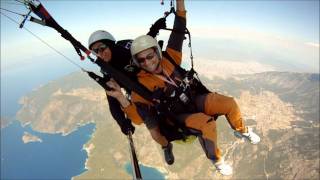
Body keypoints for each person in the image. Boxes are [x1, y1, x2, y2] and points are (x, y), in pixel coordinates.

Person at [106, 0, 261, 176]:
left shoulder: (170, 58)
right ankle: (216, 160)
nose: (147, 62)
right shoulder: (141, 85)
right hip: (177, 114)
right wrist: (120, 98)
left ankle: (242, 131)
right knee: (206, 124)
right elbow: (138, 119)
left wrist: (180, 3)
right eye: (141, 60)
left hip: (193, 99)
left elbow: (179, 29)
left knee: (229, 103)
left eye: (150, 56)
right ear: (136, 62)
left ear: (157, 52)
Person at [87, 17, 166, 136]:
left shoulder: (127, 48)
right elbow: (112, 99)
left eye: (102, 48)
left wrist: (154, 29)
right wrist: (122, 122)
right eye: (95, 52)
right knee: (145, 121)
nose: (100, 54)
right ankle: (165, 144)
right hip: (138, 92)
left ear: (110, 45)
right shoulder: (107, 70)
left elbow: (143, 46)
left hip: (152, 80)